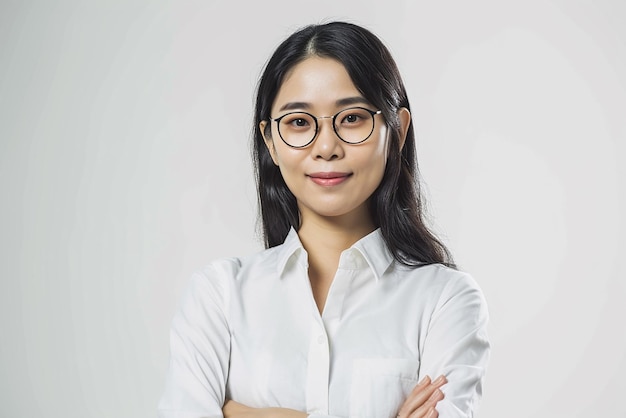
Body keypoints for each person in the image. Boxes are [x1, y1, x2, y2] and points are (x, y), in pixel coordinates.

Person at [158, 21, 490, 418]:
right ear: (271, 143)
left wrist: (238, 413)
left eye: (352, 118)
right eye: (299, 122)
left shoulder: (445, 301)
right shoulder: (219, 297)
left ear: (396, 133)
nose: (327, 146)